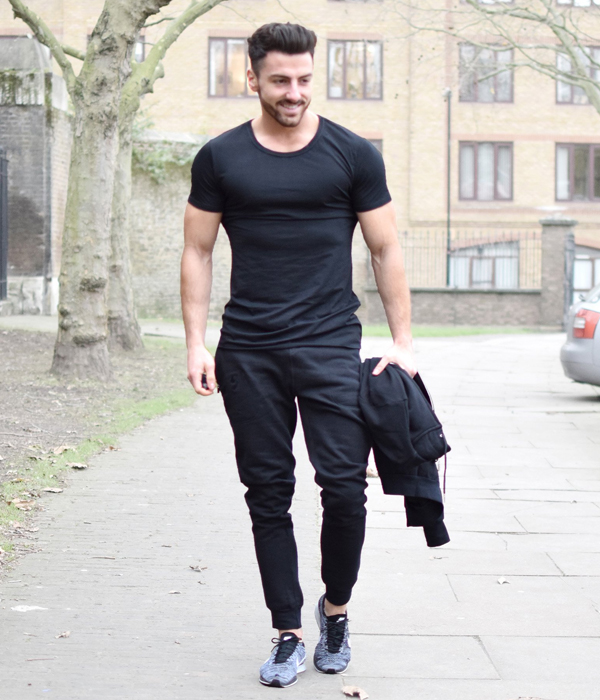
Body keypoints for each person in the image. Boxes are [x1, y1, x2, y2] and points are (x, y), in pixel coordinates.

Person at [181, 22, 416, 689]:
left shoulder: (352, 154)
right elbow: (197, 249)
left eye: (305, 79)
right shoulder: (220, 158)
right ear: (252, 78)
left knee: (344, 487)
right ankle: (287, 630)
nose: (294, 92)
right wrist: (196, 341)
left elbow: (385, 248)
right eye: (280, 80)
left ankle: (335, 611)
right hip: (248, 349)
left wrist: (403, 344)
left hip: (329, 343)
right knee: (268, 490)